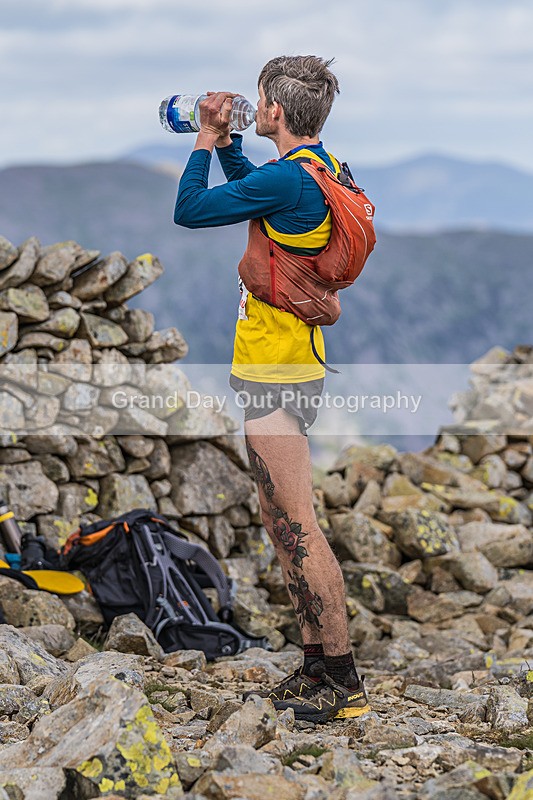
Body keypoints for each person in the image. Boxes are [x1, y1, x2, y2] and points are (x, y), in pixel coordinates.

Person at [174, 55, 371, 723]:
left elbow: (191, 209)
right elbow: (260, 192)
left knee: (298, 526)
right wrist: (232, 149)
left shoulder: (292, 179)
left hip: (274, 369)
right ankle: (314, 667)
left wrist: (205, 137)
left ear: (276, 113)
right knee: (278, 522)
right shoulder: (319, 168)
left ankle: (342, 682)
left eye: (257, 103)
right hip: (294, 363)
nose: (251, 112)